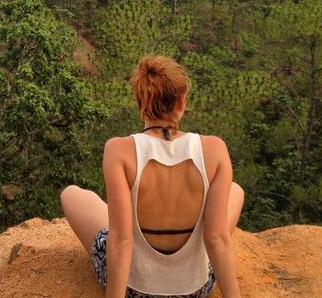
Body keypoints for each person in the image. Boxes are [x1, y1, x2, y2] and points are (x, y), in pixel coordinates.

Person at [60, 55, 244, 298]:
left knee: (72, 194)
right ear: (181, 102)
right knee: (235, 190)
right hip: (195, 289)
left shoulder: (119, 150)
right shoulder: (214, 148)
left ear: (141, 100)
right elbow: (216, 238)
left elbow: (122, 240)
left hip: (134, 290)